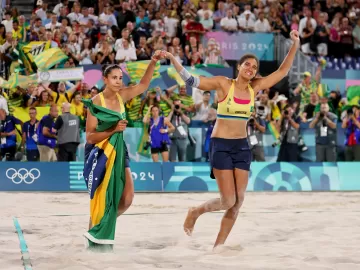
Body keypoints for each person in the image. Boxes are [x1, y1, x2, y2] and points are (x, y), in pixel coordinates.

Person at [164, 30, 300, 249]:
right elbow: (192, 80)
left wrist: (295, 43)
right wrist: (173, 59)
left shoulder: (255, 88)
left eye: (254, 67)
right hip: (221, 145)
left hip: (242, 146)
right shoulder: (223, 84)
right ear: (239, 66)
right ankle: (195, 212)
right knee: (227, 200)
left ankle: (218, 247)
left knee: (239, 201)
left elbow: (283, 71)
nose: (251, 69)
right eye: (247, 65)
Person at [84, 50, 165, 248]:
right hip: (100, 153)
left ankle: (102, 224)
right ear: (105, 79)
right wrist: (113, 129)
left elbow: (144, 85)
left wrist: (153, 62)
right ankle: (97, 228)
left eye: (120, 78)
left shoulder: (123, 95)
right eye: (114, 78)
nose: (118, 81)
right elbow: (90, 137)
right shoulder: (95, 103)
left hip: (119, 149)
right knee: (102, 200)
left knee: (127, 199)